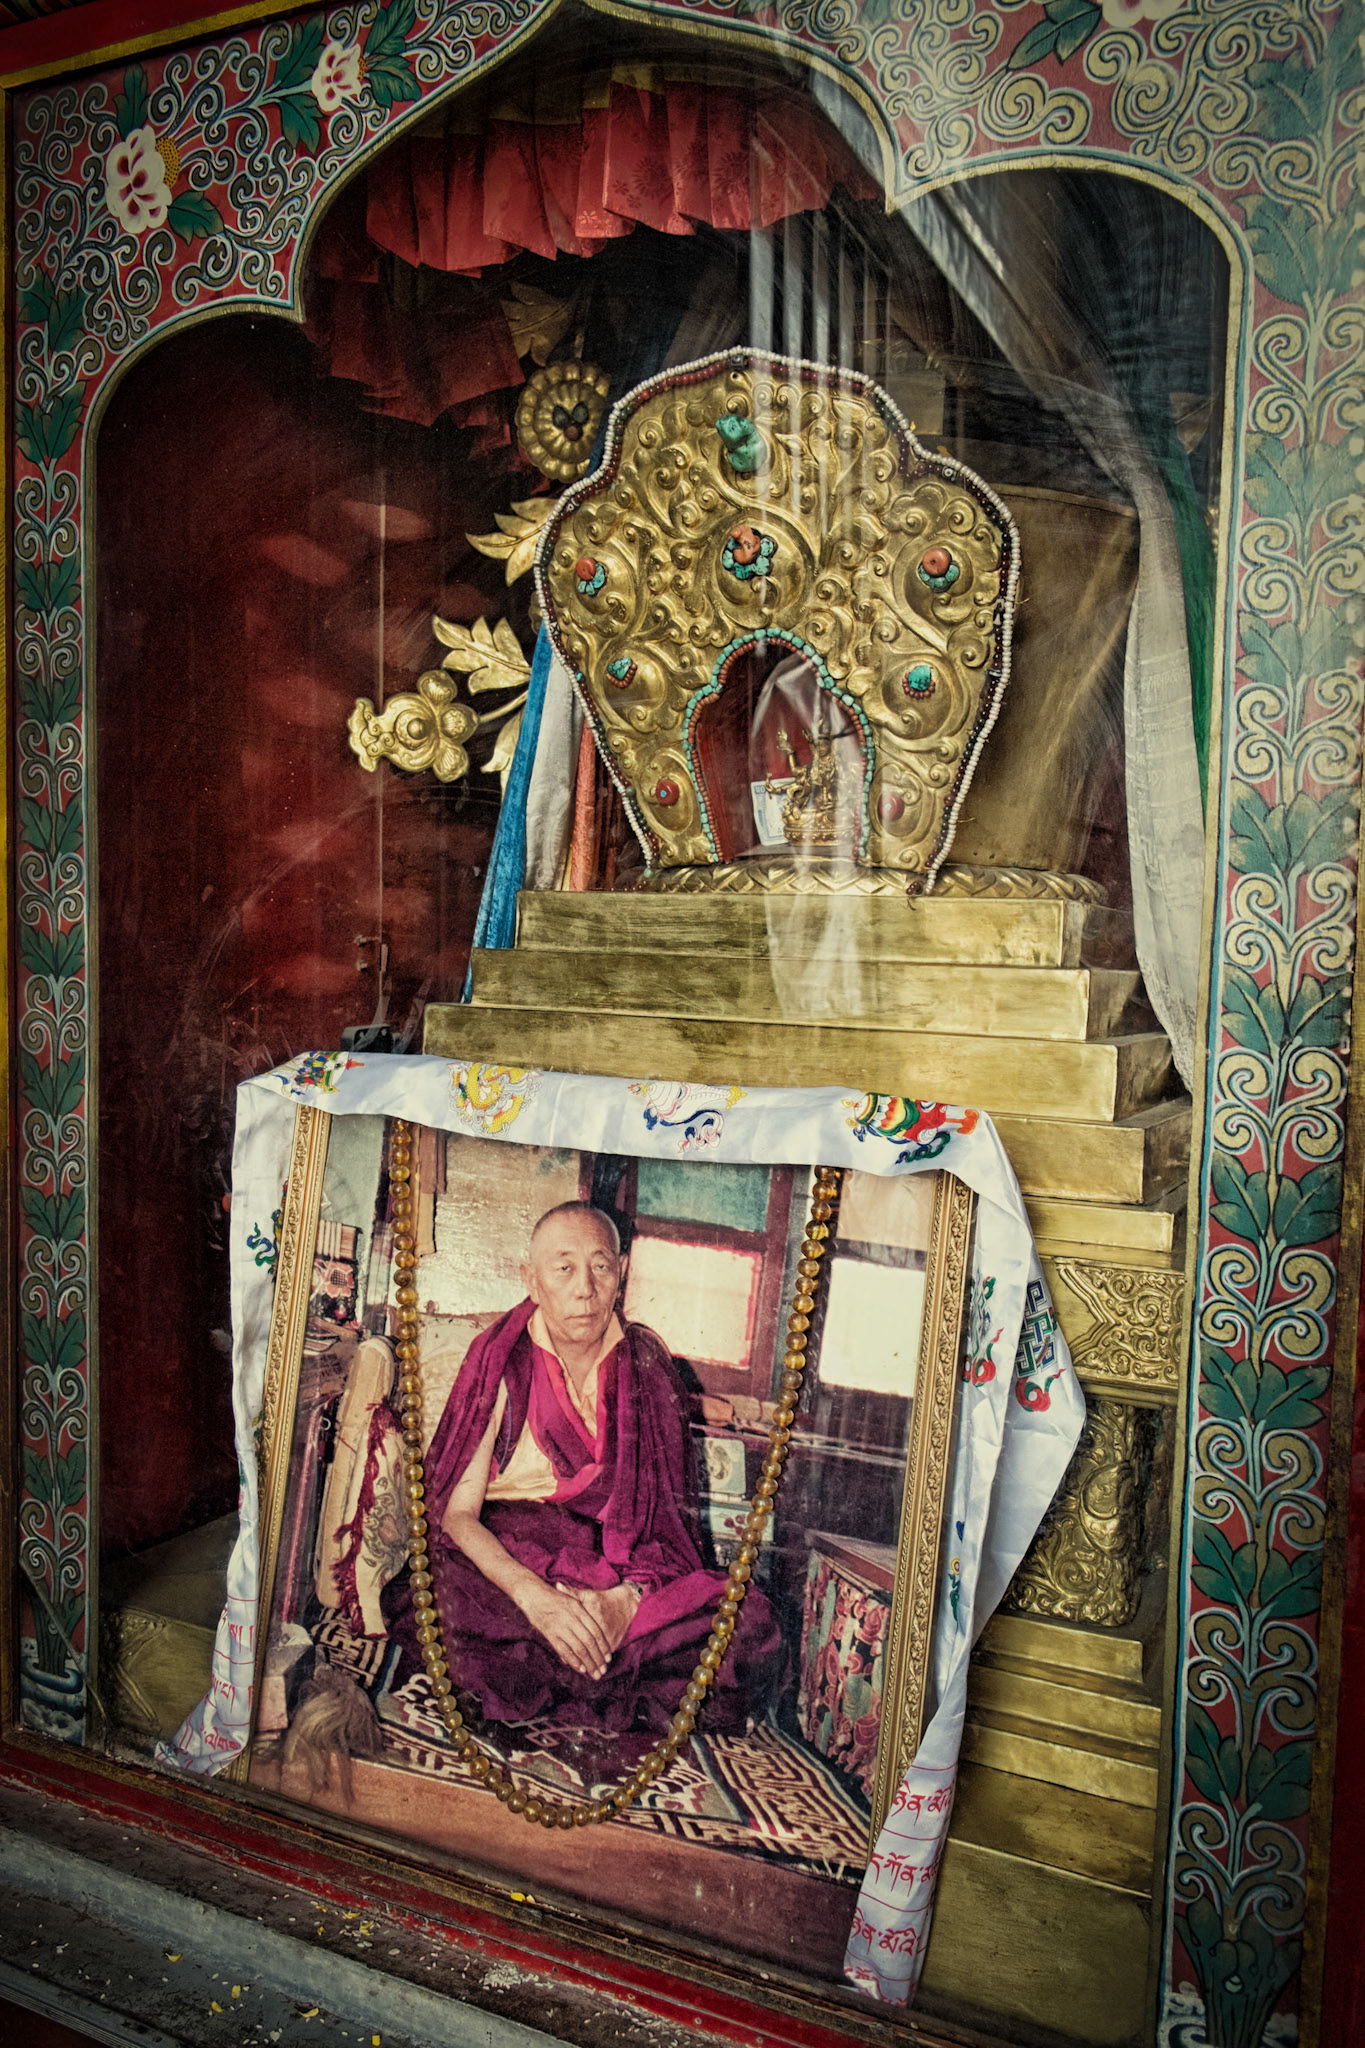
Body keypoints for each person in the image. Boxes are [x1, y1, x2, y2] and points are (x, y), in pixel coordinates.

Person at [384, 1201, 780, 1734]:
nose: (584, 1288)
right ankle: (587, 1662)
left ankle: (579, 1659)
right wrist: (537, 1599)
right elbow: (456, 1516)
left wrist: (624, 1601)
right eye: (563, 1267)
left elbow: (663, 1528)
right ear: (532, 1279)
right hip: (515, 1556)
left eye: (600, 1266)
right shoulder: (499, 1357)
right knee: (436, 1598)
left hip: (617, 1560)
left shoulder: (647, 1369)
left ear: (622, 1275)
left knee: (747, 1619)